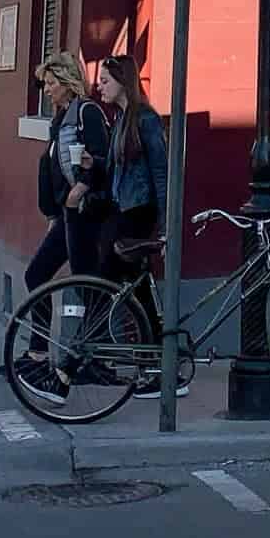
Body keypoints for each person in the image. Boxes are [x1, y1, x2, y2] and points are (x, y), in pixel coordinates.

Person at [95, 52, 175, 387]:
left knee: (115, 280)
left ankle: (148, 360)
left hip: (139, 213)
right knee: (131, 286)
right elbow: (117, 171)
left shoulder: (146, 120)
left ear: (122, 82)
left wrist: (167, 225)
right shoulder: (121, 119)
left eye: (104, 81)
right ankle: (152, 361)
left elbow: (161, 172)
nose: (98, 87)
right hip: (122, 209)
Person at [25, 52, 111, 293]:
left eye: (52, 83)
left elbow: (101, 158)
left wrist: (78, 191)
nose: (47, 90)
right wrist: (53, 214)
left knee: (85, 285)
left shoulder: (87, 112)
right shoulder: (61, 119)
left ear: (68, 82)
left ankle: (96, 331)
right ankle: (38, 333)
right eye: (45, 84)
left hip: (84, 212)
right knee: (36, 276)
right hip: (66, 214)